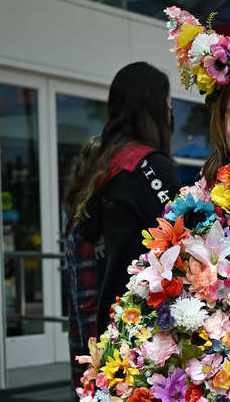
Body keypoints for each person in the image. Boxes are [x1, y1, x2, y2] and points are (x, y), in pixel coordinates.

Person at [71, 62, 181, 332]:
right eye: (168, 104)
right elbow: (182, 245)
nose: (171, 113)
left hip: (107, 319)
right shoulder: (149, 166)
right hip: (143, 323)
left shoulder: (102, 162)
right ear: (155, 109)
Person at [64, 135, 102, 394]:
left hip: (87, 349)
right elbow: (86, 302)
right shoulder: (88, 223)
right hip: (94, 354)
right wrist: (98, 359)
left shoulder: (87, 214)